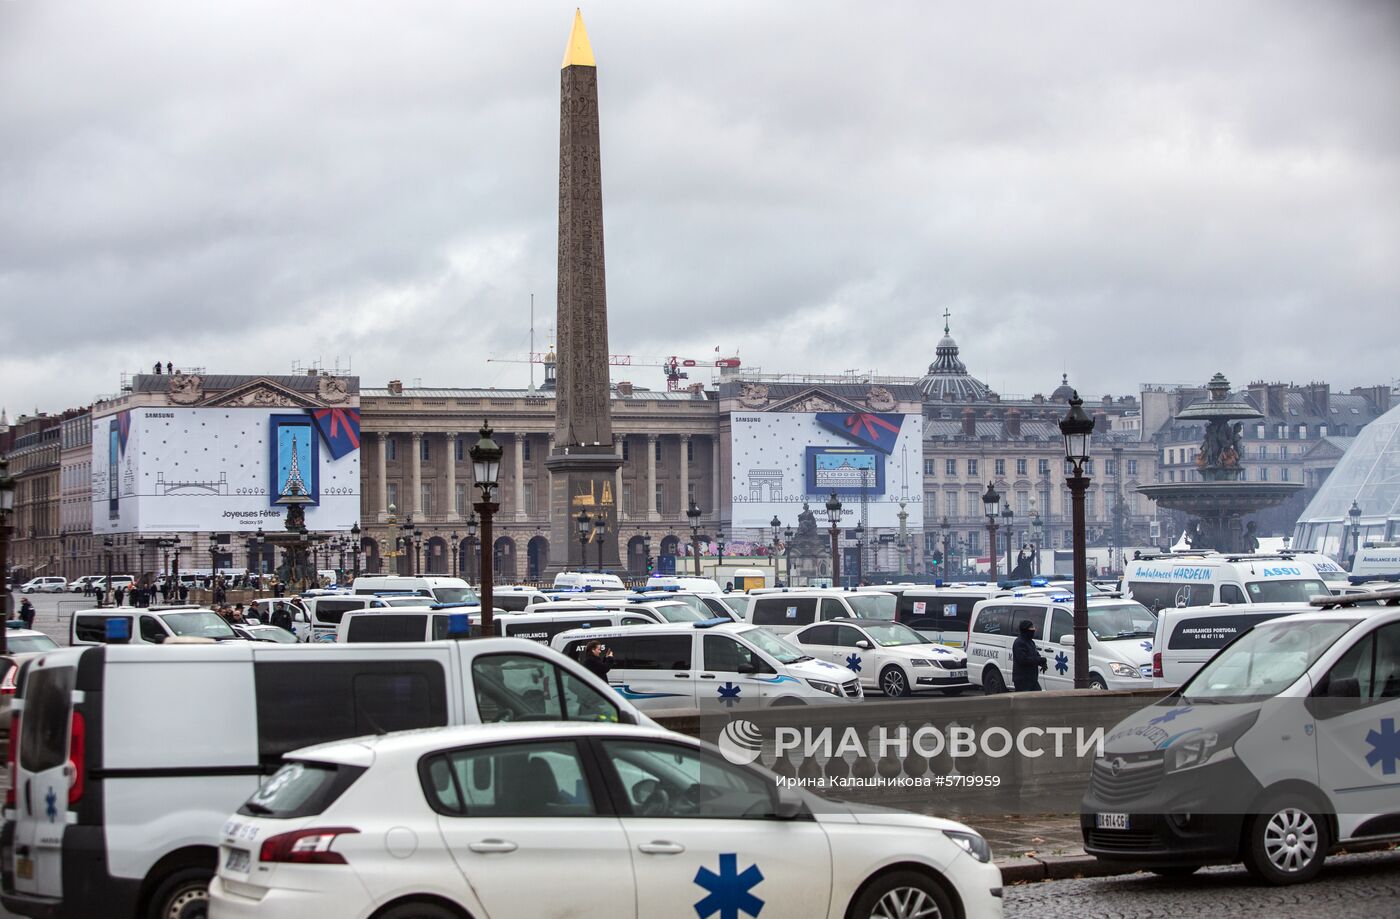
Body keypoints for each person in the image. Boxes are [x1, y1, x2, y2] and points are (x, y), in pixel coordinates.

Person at [1012, 619, 1047, 692]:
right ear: (1025, 631)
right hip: (1022, 679)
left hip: (1032, 679)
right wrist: (1039, 660)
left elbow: (1036, 655)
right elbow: (1023, 660)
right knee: (1024, 701)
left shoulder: (1031, 642)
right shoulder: (1019, 643)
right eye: (1031, 629)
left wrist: (1042, 663)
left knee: (1038, 697)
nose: (1033, 631)